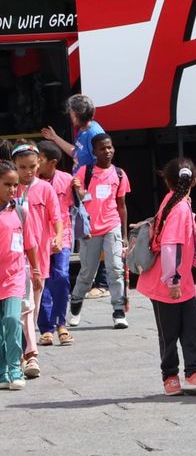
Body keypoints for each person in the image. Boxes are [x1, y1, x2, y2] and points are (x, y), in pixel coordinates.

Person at [135, 159, 196, 397]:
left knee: (191, 327)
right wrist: (172, 280)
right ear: (194, 181)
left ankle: (193, 373)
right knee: (170, 332)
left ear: (166, 181)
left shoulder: (176, 202)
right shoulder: (179, 207)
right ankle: (171, 376)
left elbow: (191, 234)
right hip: (168, 283)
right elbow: (170, 245)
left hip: (178, 282)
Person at [42, 93, 110, 301]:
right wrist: (54, 138)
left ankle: (103, 282)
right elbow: (76, 154)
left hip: (89, 191)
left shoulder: (94, 133)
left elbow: (100, 163)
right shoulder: (83, 131)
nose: (69, 115)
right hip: (81, 189)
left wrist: (89, 190)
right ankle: (94, 280)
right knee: (87, 234)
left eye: (71, 112)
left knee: (97, 232)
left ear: (76, 114)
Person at [68, 132, 130, 330]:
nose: (107, 151)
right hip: (90, 230)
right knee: (88, 272)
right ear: (94, 152)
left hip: (112, 226)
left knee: (115, 269)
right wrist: (79, 190)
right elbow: (75, 197)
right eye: (102, 148)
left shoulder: (119, 174)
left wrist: (125, 236)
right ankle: (76, 304)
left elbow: (121, 205)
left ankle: (119, 311)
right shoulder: (85, 172)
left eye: (110, 147)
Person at [12, 144, 56, 377]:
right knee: (19, 310)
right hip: (9, 263)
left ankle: (28, 353)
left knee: (30, 308)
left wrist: (58, 239)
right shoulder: (10, 193)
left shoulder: (45, 189)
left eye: (31, 166)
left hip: (33, 258)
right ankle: (24, 354)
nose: (27, 172)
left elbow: (55, 217)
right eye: (22, 168)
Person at [34, 140, 74, 347]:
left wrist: (80, 189)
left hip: (63, 235)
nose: (35, 164)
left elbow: (80, 202)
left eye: (39, 160)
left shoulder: (67, 180)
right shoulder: (32, 183)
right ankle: (46, 329)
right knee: (41, 281)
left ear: (52, 162)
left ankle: (61, 323)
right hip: (40, 238)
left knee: (61, 275)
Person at [0, 158, 33, 390]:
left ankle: (14, 367)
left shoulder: (19, 210)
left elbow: (28, 243)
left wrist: (37, 269)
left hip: (14, 276)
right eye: (7, 185)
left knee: (12, 319)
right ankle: (2, 372)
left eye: (15, 185)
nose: (12, 189)